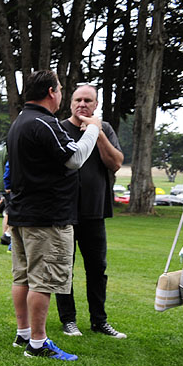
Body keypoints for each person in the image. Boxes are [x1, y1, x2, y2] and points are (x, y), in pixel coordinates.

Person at [6, 70, 101, 361]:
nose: (61, 94)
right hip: (47, 218)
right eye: (59, 89)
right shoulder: (43, 123)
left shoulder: (19, 122)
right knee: (43, 281)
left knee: (23, 277)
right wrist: (93, 129)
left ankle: (24, 333)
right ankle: (38, 343)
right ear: (51, 92)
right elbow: (74, 159)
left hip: (22, 215)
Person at [54, 85, 126, 339]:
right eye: (78, 100)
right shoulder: (59, 128)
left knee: (97, 269)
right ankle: (68, 320)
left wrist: (97, 132)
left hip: (95, 211)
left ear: (96, 105)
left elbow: (115, 163)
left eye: (88, 100)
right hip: (64, 212)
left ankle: (99, 321)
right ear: (70, 103)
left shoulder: (104, 129)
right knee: (65, 268)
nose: (82, 104)